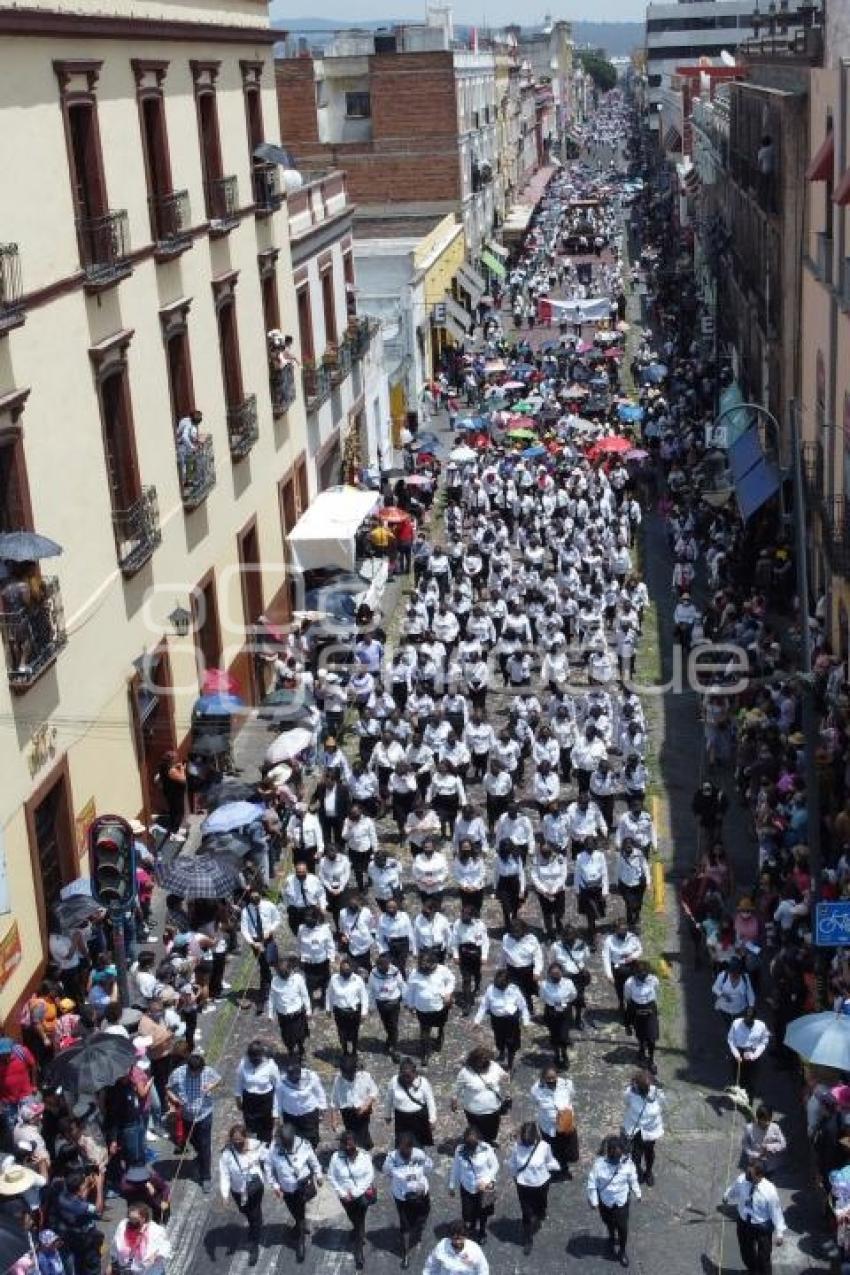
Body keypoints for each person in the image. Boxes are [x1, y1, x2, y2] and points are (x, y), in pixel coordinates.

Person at [266, 1122, 323, 1263]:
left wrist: (319, 1174)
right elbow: (269, 1168)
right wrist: (275, 1186)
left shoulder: (303, 1145)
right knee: (294, 1210)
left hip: (302, 1187)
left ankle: (300, 1241)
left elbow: (313, 1161)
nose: (285, 1145)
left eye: (287, 1143)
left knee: (300, 1212)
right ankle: (300, 1225)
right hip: (286, 1188)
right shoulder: (274, 1147)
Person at [166, 1052, 222, 1193]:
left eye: (200, 1072)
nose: (198, 1074)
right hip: (186, 1116)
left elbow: (218, 1079)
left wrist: (210, 1087)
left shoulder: (207, 1071)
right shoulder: (178, 1074)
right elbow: (168, 1089)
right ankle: (201, 1158)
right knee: (193, 1141)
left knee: (205, 1145)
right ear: (189, 1069)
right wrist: (175, 1099)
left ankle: (206, 1177)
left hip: (204, 1115)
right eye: (195, 1072)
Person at [587, 1135, 641, 1268]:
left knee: (623, 1228)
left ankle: (622, 1251)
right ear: (609, 1154)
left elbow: (633, 1179)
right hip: (605, 1202)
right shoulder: (598, 1165)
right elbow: (592, 1184)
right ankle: (611, 1237)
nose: (618, 1159)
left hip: (621, 1202)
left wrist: (638, 1192)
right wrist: (594, 1201)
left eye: (619, 1156)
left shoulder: (628, 1163)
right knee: (608, 1223)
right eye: (615, 1157)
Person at [507, 1121, 560, 1255]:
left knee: (541, 1205)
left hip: (541, 1183)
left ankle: (541, 1213)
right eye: (524, 1141)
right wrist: (515, 1177)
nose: (525, 1144)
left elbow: (550, 1161)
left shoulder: (544, 1147)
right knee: (527, 1213)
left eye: (528, 1141)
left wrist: (556, 1167)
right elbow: (512, 1164)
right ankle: (528, 1239)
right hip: (523, 1185)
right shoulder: (516, 1147)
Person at [723, 1161, 786, 1274]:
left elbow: (776, 1212)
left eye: (750, 1174)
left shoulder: (769, 1191)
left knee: (764, 1258)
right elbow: (734, 1189)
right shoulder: (742, 1180)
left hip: (761, 1227)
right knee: (746, 1253)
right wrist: (727, 1196)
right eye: (747, 1171)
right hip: (744, 1223)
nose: (747, 1175)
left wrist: (779, 1233)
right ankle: (752, 1271)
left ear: (760, 1176)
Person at [218, 1122, 267, 1266]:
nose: (238, 1143)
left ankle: (254, 1242)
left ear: (246, 1137)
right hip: (238, 1190)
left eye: (241, 1140)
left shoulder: (255, 1146)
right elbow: (225, 1175)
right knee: (244, 1210)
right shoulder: (227, 1155)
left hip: (255, 1188)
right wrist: (225, 1195)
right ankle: (255, 1224)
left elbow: (268, 1157)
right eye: (235, 1141)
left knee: (254, 1215)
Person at [383, 1131, 433, 1268]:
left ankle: (418, 1229)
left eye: (408, 1149)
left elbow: (429, 1167)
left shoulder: (419, 1154)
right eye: (402, 1149)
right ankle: (405, 1254)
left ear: (412, 1147)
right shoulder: (391, 1158)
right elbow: (386, 1172)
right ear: (397, 1147)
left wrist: (417, 1180)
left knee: (423, 1216)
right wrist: (403, 1179)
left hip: (421, 1193)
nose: (405, 1153)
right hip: (402, 1197)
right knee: (405, 1226)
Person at [328, 1130, 375, 1272]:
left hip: (360, 1196)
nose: (348, 1148)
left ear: (355, 1143)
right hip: (345, 1197)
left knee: (360, 1220)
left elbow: (369, 1176)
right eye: (345, 1145)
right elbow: (331, 1176)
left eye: (351, 1145)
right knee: (352, 1218)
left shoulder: (365, 1157)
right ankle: (356, 1230)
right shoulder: (336, 1157)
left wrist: (355, 1193)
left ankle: (358, 1251)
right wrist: (342, 1193)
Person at [448, 1128, 499, 1245]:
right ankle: (471, 1227)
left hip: (483, 1188)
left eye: (474, 1145)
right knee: (467, 1213)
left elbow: (495, 1166)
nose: (471, 1148)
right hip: (467, 1187)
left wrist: (486, 1181)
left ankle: (482, 1231)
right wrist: (451, 1185)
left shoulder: (486, 1148)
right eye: (469, 1145)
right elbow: (456, 1167)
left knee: (483, 1212)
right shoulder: (459, 1150)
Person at [473, 968, 530, 1071]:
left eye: (502, 985)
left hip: (511, 1021)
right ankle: (502, 1052)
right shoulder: (490, 989)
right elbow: (483, 1006)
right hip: (497, 1020)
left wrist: (526, 1022)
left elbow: (523, 1006)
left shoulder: (514, 990)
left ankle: (510, 1064)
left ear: (508, 983)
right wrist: (477, 1021)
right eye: (498, 985)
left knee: (511, 1043)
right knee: (499, 1039)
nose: (500, 987)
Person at [451, 1047, 510, 1145]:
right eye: (480, 1060)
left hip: (493, 1109)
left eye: (486, 1060)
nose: (484, 1062)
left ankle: (489, 1143)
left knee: (491, 1132)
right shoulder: (465, 1072)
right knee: (477, 1132)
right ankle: (477, 1145)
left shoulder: (494, 1066)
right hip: (474, 1112)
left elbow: (504, 1076)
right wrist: (454, 1100)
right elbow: (457, 1088)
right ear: (473, 1060)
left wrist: (506, 1077)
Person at [403, 954, 454, 1065]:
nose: (426, 971)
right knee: (425, 1031)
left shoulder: (442, 970)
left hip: (440, 1006)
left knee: (440, 1026)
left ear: (434, 964)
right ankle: (425, 1053)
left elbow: (451, 980)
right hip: (422, 1009)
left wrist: (448, 993)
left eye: (429, 968)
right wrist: (410, 1005)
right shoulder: (414, 974)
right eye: (423, 967)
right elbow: (410, 991)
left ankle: (439, 1039)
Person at [530, 1064, 577, 1178]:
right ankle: (556, 1168)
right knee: (553, 1149)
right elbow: (535, 1102)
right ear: (543, 1078)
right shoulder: (536, 1089)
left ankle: (564, 1167)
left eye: (553, 1078)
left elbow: (571, 1096)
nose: (551, 1081)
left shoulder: (566, 1084)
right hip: (548, 1127)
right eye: (548, 1078)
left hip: (565, 1124)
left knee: (567, 1148)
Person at [241, 891, 282, 1015]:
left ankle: (280, 982)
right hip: (256, 942)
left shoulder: (269, 905)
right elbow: (244, 929)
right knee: (264, 967)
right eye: (253, 900)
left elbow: (277, 919)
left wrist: (270, 930)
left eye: (257, 899)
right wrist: (253, 944)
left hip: (268, 938)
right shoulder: (246, 911)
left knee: (274, 961)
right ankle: (264, 996)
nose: (256, 901)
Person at [622, 1071, 665, 1186]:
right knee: (639, 1153)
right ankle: (640, 1171)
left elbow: (626, 1102)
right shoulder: (632, 1093)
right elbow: (662, 1103)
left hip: (649, 1130)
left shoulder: (655, 1093)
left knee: (646, 1152)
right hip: (637, 1130)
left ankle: (648, 1172)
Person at [234, 1041, 280, 1145]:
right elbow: (239, 1082)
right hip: (249, 1100)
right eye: (252, 1058)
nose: (254, 1061)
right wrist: (238, 1099)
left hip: (265, 1101)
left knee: (266, 1131)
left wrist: (276, 1111)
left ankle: (265, 1150)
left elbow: (278, 1088)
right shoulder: (243, 1064)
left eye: (256, 1058)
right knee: (250, 1130)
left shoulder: (271, 1066)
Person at [384, 1057, 436, 1147]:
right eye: (404, 1076)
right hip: (401, 1118)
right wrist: (387, 1115)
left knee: (417, 1144)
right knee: (402, 1144)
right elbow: (389, 1098)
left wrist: (432, 1119)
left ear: (414, 1073)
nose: (406, 1079)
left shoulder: (423, 1083)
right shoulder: (394, 1081)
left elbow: (430, 1101)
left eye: (409, 1076)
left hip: (418, 1118)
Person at [275, 1058, 327, 1148]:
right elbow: (277, 1100)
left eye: (295, 1077)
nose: (292, 1080)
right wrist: (278, 1117)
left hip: (309, 1115)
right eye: (290, 1077)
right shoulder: (281, 1082)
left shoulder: (311, 1077)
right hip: (290, 1116)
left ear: (299, 1073)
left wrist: (322, 1109)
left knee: (311, 1138)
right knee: (293, 1139)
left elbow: (320, 1093)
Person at [330, 1055, 379, 1150]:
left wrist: (366, 1105)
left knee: (363, 1130)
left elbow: (374, 1092)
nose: (347, 1077)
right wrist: (334, 1119)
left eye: (350, 1074)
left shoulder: (365, 1076)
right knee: (350, 1131)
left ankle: (364, 1147)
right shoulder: (338, 1080)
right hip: (347, 1112)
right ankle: (355, 1147)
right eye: (345, 1074)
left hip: (363, 1110)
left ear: (355, 1070)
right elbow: (334, 1101)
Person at [110, 1204, 172, 1275]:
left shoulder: (156, 1230)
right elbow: (115, 1245)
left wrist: (155, 1255)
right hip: (128, 1271)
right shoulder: (123, 1225)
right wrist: (113, 1264)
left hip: (150, 1272)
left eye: (135, 1219)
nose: (132, 1222)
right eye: (130, 1219)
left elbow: (166, 1247)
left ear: (144, 1218)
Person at [326, 957, 370, 1057]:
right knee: (342, 1034)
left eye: (347, 969)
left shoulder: (358, 979)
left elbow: (364, 996)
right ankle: (345, 1051)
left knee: (354, 1033)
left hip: (354, 1012)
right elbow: (329, 994)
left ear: (351, 969)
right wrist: (328, 1008)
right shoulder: (334, 979)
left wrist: (364, 1012)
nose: (344, 971)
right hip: (339, 1011)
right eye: (342, 969)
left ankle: (354, 1051)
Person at [267, 956, 311, 1056]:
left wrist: (308, 1010)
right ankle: (290, 1051)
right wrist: (270, 1014)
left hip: (298, 1014)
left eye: (285, 972)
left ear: (290, 969)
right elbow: (272, 998)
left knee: (301, 1035)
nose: (284, 974)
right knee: (287, 1038)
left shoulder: (298, 979)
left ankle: (301, 1049)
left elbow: (305, 995)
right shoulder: (275, 981)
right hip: (284, 1016)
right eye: (281, 973)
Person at [451, 904, 489, 1015]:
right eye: (462, 914)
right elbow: (454, 941)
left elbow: (485, 941)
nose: (464, 917)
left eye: (467, 915)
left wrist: (484, 956)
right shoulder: (457, 924)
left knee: (477, 974)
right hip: (464, 952)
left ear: (472, 915)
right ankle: (467, 1004)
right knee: (466, 979)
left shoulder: (479, 924)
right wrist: (456, 955)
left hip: (476, 952)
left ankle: (477, 986)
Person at [623, 961, 660, 1072]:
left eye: (645, 974)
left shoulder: (653, 980)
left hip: (650, 1008)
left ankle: (651, 1059)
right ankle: (641, 1048)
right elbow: (628, 997)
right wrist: (628, 1023)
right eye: (640, 974)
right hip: (636, 1008)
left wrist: (652, 1006)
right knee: (640, 1033)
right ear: (635, 973)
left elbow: (656, 991)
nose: (643, 976)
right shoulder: (629, 983)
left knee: (652, 1037)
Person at [367, 953, 405, 1061]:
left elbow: (401, 985)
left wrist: (407, 1001)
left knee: (393, 1025)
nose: (384, 970)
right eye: (381, 967)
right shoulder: (373, 974)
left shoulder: (395, 971)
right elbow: (370, 990)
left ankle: (395, 1048)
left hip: (393, 1002)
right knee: (387, 1025)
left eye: (386, 967)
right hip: (381, 1003)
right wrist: (371, 1005)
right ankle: (389, 1041)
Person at [728, 1007, 769, 1102]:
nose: (748, 1022)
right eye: (746, 1020)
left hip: (753, 1055)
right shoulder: (736, 1024)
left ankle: (749, 1103)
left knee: (752, 1081)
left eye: (750, 1020)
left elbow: (764, 1042)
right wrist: (736, 1054)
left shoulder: (761, 1026)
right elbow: (731, 1040)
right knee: (738, 1079)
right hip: (739, 1053)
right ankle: (740, 1097)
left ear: (755, 1018)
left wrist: (755, 1055)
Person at [540, 961, 577, 1067]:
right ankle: (556, 1054)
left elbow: (573, 995)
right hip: (551, 1011)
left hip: (565, 1011)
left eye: (557, 973)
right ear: (549, 974)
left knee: (564, 1036)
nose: (555, 976)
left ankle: (564, 1054)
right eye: (553, 974)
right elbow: (542, 997)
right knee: (554, 1035)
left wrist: (564, 1003)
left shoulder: (568, 983)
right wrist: (552, 1004)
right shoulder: (544, 985)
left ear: (562, 973)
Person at [602, 920, 643, 1015]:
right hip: (617, 969)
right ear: (615, 930)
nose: (623, 932)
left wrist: (632, 957)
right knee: (620, 988)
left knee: (633, 986)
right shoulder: (609, 940)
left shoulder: (632, 937)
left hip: (631, 966)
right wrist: (609, 975)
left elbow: (639, 949)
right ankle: (621, 1003)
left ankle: (632, 1005)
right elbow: (606, 958)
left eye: (625, 929)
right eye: (620, 930)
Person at [422, 1221, 489, 1275]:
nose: (457, 1242)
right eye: (455, 1239)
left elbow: (483, 1269)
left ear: (465, 1236)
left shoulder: (474, 1249)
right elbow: (431, 1265)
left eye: (460, 1239)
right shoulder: (441, 1247)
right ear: (450, 1237)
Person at [741, 1105, 786, 1176]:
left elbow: (783, 1144)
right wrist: (755, 1154)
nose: (767, 1123)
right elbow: (745, 1145)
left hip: (770, 1166)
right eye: (764, 1121)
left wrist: (770, 1147)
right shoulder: (749, 1129)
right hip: (755, 1165)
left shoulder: (775, 1128)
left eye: (769, 1120)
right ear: (758, 1119)